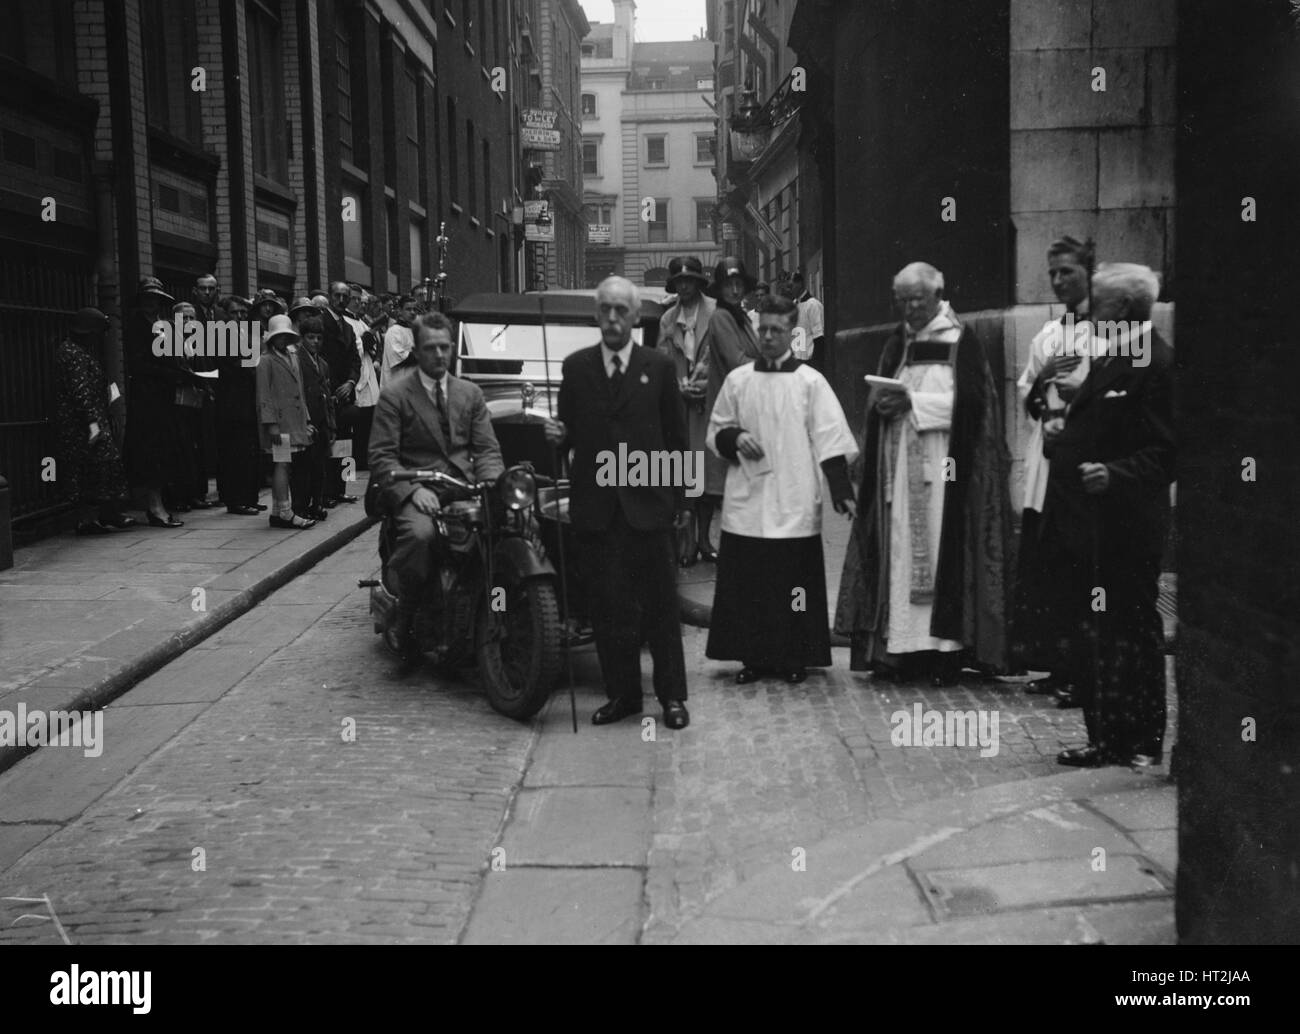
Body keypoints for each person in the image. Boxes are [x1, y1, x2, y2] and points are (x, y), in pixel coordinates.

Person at [834, 261, 1012, 685]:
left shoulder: (960, 339)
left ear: (937, 295)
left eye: (916, 299)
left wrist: (913, 404)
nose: (909, 308)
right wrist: (882, 407)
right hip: (900, 467)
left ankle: (943, 655)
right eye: (902, 300)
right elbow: (882, 398)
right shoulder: (900, 341)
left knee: (939, 555)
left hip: (947, 471)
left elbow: (976, 406)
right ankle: (901, 650)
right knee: (899, 555)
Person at [542, 277, 691, 730]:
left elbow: (676, 439)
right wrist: (557, 437)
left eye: (620, 311)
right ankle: (622, 695)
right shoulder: (576, 368)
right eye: (604, 310)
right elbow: (565, 438)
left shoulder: (659, 367)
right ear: (595, 315)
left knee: (661, 609)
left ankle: (672, 698)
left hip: (648, 506)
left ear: (633, 317)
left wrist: (680, 503)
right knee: (609, 609)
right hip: (598, 509)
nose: (611, 319)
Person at [1043, 263, 1174, 769]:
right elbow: (1100, 427)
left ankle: (1139, 742)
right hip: (1093, 525)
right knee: (1100, 628)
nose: (1088, 311)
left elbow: (1165, 453)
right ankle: (1109, 737)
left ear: (1121, 309)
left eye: (1096, 303)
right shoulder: (1114, 355)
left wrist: (1115, 474)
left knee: (1133, 629)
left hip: (1128, 527)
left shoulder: (1156, 363)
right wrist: (1062, 437)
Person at [706, 294, 859, 682]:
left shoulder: (810, 382)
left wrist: (840, 489)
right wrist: (735, 437)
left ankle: (794, 656)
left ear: (793, 332)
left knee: (793, 586)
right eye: (764, 329)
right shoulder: (739, 381)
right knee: (752, 583)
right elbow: (716, 429)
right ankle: (754, 657)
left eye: (777, 329)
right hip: (749, 500)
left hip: (794, 496)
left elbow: (831, 435)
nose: (769, 336)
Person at [368, 312, 505, 662]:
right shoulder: (396, 395)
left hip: (463, 485)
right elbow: (382, 457)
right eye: (431, 348)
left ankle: (499, 609)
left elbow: (486, 448)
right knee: (421, 537)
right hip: (417, 487)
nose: (440, 354)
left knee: (511, 527)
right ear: (417, 349)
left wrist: (491, 479)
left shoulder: (470, 393)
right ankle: (408, 619)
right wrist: (413, 491)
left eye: (445, 346)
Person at [1013, 236, 1095, 697]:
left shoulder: (1109, 331)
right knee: (1049, 570)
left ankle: (1084, 673)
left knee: (1079, 570)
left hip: (1080, 464)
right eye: (1053, 274)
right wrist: (1043, 379)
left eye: (1068, 271)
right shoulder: (1048, 334)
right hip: (1046, 464)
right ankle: (1058, 666)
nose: (1060, 281)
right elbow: (1027, 393)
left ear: (1089, 271)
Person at [700, 257, 762, 561]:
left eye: (739, 284)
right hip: (731, 401)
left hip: (747, 402)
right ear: (720, 289)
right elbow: (736, 360)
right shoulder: (722, 318)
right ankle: (721, 547)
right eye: (729, 285)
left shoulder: (741, 317)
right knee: (725, 481)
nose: (735, 289)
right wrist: (770, 366)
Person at [54, 308, 135, 535]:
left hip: (90, 419)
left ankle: (102, 514)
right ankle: (92, 518)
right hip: (83, 423)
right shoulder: (73, 354)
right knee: (94, 467)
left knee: (98, 467)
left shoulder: (79, 351)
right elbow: (81, 393)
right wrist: (93, 424)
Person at [657, 256, 716, 566]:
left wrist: (705, 383)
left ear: (698, 282)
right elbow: (662, 360)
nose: (684, 285)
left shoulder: (716, 312)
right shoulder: (668, 319)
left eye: (690, 280)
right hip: (681, 405)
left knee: (707, 469)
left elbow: (719, 355)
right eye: (679, 281)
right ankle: (688, 541)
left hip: (709, 402)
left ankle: (706, 537)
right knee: (686, 469)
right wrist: (676, 386)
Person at [123, 276, 188, 527]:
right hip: (147, 397)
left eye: (155, 299)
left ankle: (162, 503)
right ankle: (154, 506)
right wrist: (168, 373)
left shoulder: (165, 325)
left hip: (166, 397)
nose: (151, 304)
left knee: (167, 450)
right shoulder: (136, 326)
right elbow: (138, 364)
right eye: (147, 299)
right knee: (151, 452)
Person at [256, 314, 316, 529]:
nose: (282, 339)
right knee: (282, 464)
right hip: (279, 423)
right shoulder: (265, 360)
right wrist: (270, 424)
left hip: (295, 421)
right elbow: (264, 395)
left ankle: (277, 511)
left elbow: (300, 391)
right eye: (278, 336)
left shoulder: (293, 357)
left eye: (285, 335)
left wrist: (306, 419)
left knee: (287, 465)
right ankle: (284, 511)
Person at [214, 294, 264, 515]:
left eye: (243, 313)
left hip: (248, 401)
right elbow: (231, 366)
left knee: (249, 452)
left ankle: (250, 497)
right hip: (232, 403)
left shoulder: (247, 334)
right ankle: (236, 501)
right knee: (235, 453)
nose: (240, 316)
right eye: (235, 313)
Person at [320, 281, 361, 506]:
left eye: (345, 296)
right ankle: (327, 492)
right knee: (330, 444)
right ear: (330, 296)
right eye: (337, 296)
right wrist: (334, 388)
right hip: (330, 394)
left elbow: (355, 359)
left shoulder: (348, 327)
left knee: (347, 445)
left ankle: (344, 488)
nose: (342, 300)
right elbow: (322, 360)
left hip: (346, 392)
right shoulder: (321, 323)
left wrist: (351, 382)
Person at [292, 314, 335, 522]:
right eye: (310, 337)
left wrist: (331, 425)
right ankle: (300, 506)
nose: (315, 342)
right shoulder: (297, 361)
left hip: (322, 421)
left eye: (318, 338)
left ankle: (316, 503)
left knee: (320, 467)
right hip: (305, 420)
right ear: (302, 338)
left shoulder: (324, 364)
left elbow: (328, 396)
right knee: (303, 468)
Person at [789, 271, 826, 371]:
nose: (789, 289)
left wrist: (816, 365)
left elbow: (819, 337)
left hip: (809, 361)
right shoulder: (793, 306)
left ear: (800, 284)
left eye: (791, 286)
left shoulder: (813, 305)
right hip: (795, 360)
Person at [382, 296, 421, 380]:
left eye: (415, 309)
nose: (412, 312)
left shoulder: (415, 331)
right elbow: (399, 359)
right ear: (399, 311)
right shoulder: (394, 331)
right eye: (408, 309)